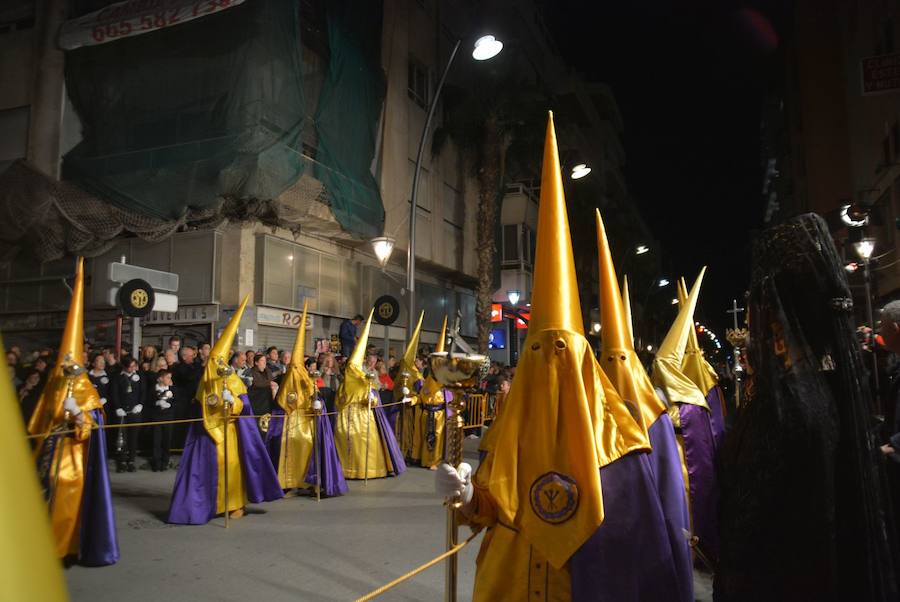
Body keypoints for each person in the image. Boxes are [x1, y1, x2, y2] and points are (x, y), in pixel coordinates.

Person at [435, 113, 680, 600]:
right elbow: (490, 502)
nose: (550, 363)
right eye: (540, 351)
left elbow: (642, 540)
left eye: (562, 352)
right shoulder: (511, 428)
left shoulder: (621, 443)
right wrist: (465, 495)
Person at [716, 213, 898, 601]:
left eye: (756, 301)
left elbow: (754, 528)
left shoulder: (785, 407)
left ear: (776, 311)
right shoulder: (822, 389)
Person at [27, 257, 118, 566]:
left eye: (72, 360)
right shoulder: (52, 385)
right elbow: (37, 421)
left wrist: (78, 416)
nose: (68, 366)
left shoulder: (85, 389)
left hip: (74, 457)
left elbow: (92, 424)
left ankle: (65, 548)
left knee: (68, 494)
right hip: (48, 453)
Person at [168, 297, 283, 524]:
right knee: (206, 470)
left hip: (230, 430)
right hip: (207, 434)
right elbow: (201, 403)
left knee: (233, 466)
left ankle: (234, 503)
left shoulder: (232, 378)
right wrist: (215, 403)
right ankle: (206, 503)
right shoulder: (206, 380)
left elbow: (244, 403)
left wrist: (233, 402)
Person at [273, 300, 347, 497]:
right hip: (291, 423)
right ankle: (287, 482)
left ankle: (311, 482)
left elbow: (315, 394)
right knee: (290, 449)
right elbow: (284, 400)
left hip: (307, 421)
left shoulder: (308, 377)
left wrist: (316, 402)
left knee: (309, 449)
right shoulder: (289, 378)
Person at [335, 310, 406, 479]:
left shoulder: (367, 378)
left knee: (366, 443)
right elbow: (340, 399)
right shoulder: (351, 380)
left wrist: (371, 395)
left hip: (366, 416)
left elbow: (375, 393)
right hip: (347, 418)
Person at [414, 317, 451, 470]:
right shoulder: (429, 377)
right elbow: (423, 393)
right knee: (426, 437)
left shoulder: (445, 378)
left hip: (439, 413)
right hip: (427, 412)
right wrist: (414, 399)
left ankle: (434, 461)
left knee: (436, 436)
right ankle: (425, 460)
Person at [395, 312, 425, 461]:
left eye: (417, 361)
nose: (416, 363)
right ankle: (404, 450)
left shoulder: (420, 376)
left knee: (413, 431)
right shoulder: (409, 374)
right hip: (405, 408)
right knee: (404, 429)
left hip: (415, 408)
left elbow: (421, 391)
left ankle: (411, 452)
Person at [110, 356, 145, 473]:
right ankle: (121, 461)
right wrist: (118, 407)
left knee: (133, 437)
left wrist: (140, 404)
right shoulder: (117, 377)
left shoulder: (139, 375)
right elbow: (114, 393)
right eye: (130, 366)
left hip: (135, 410)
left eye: (134, 366)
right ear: (125, 366)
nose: (133, 368)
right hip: (122, 411)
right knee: (121, 437)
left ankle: (131, 461)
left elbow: (143, 391)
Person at [150, 369, 175, 471]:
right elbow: (148, 401)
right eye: (168, 377)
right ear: (160, 378)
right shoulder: (153, 390)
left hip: (168, 418)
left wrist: (170, 404)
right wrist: (156, 403)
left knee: (167, 440)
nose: (170, 380)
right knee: (156, 440)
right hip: (157, 418)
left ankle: (165, 462)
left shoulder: (173, 389)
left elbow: (177, 402)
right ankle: (156, 462)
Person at [249, 354, 275, 418]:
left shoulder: (268, 371)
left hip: (268, 401)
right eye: (262, 360)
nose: (264, 362)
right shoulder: (251, 372)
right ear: (256, 363)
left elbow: (271, 380)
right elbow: (256, 383)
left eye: (265, 360)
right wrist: (270, 383)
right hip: (257, 400)